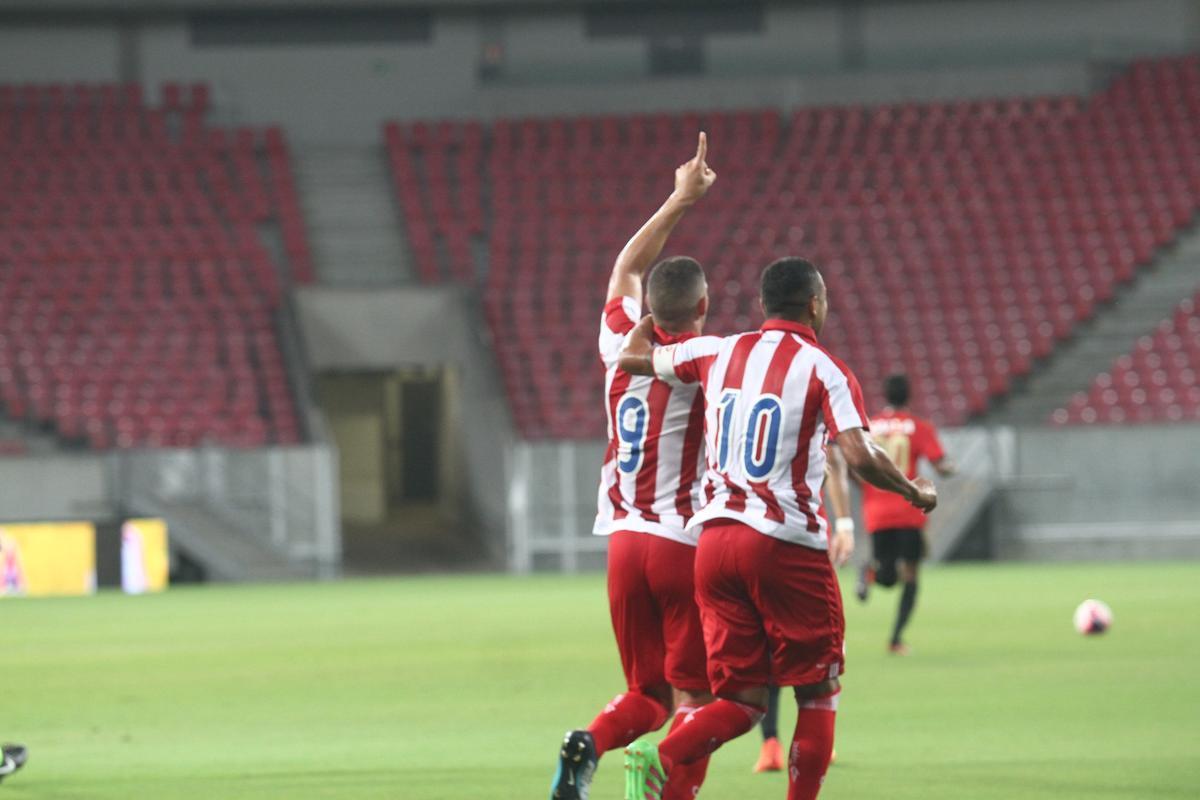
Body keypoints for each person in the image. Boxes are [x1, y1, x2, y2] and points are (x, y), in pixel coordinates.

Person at [618, 257, 938, 800]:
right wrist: (913, 490)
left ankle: (662, 753)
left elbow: (631, 356)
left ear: (765, 305)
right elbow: (858, 455)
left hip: (714, 544)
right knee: (818, 691)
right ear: (814, 304)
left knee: (741, 702)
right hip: (784, 543)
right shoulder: (825, 368)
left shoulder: (717, 350)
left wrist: (652, 314)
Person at [548, 133, 717, 800]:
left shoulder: (617, 341)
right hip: (681, 543)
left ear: (651, 304)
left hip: (622, 542)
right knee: (697, 699)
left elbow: (624, 266)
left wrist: (679, 198)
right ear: (701, 307)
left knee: (644, 692)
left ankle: (587, 743)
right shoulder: (708, 357)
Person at [754, 448, 853, 773]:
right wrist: (845, 525)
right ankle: (815, 737)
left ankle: (771, 744)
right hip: (803, 545)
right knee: (818, 650)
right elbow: (836, 460)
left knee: (769, 648)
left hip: (752, 543)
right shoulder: (812, 405)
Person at [854, 373, 955, 655]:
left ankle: (870, 571)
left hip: (876, 512)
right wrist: (950, 469)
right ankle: (896, 639)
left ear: (885, 395)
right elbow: (939, 463)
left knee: (887, 576)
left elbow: (855, 465)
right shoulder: (919, 427)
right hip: (909, 510)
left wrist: (865, 488)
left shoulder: (870, 426)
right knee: (909, 575)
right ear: (909, 395)